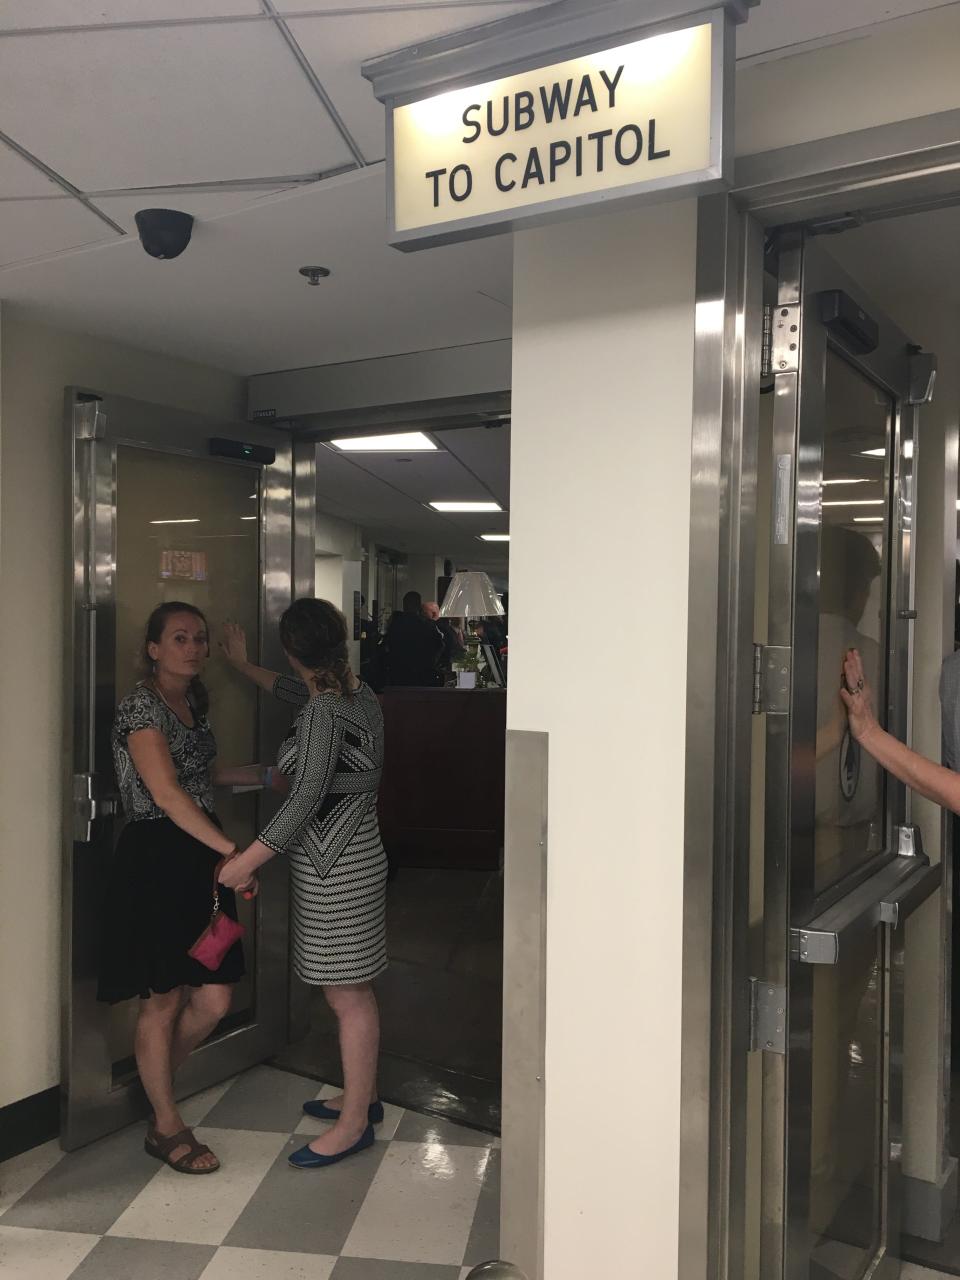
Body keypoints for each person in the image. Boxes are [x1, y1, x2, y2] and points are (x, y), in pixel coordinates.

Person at [98, 602, 272, 1176]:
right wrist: (234, 854)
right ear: (153, 648)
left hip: (199, 854)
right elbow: (167, 795)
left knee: (215, 995)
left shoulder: (191, 701)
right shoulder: (140, 706)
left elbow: (198, 776)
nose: (193, 648)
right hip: (156, 857)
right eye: (179, 639)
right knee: (165, 996)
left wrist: (261, 775)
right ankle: (167, 1122)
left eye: (199, 638)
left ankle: (157, 1096)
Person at [218, 599, 389, 1170]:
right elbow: (296, 694)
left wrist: (247, 861)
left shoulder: (324, 714)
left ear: (291, 649)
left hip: (335, 870)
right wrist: (243, 667)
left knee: (347, 995)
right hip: (355, 859)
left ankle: (354, 1123)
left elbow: (306, 794)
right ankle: (360, 1096)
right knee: (351, 990)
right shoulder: (353, 694)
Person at [381, 589, 443, 686]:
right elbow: (439, 645)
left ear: (404, 605)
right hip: (422, 674)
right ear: (419, 606)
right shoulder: (426, 625)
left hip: (398, 673)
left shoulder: (395, 625)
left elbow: (387, 646)